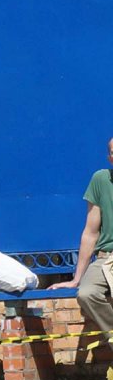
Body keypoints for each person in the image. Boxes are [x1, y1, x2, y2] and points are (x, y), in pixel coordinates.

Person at [49, 138, 113, 340]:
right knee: (86, 293)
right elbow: (90, 232)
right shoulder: (101, 180)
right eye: (112, 152)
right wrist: (76, 279)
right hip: (106, 258)